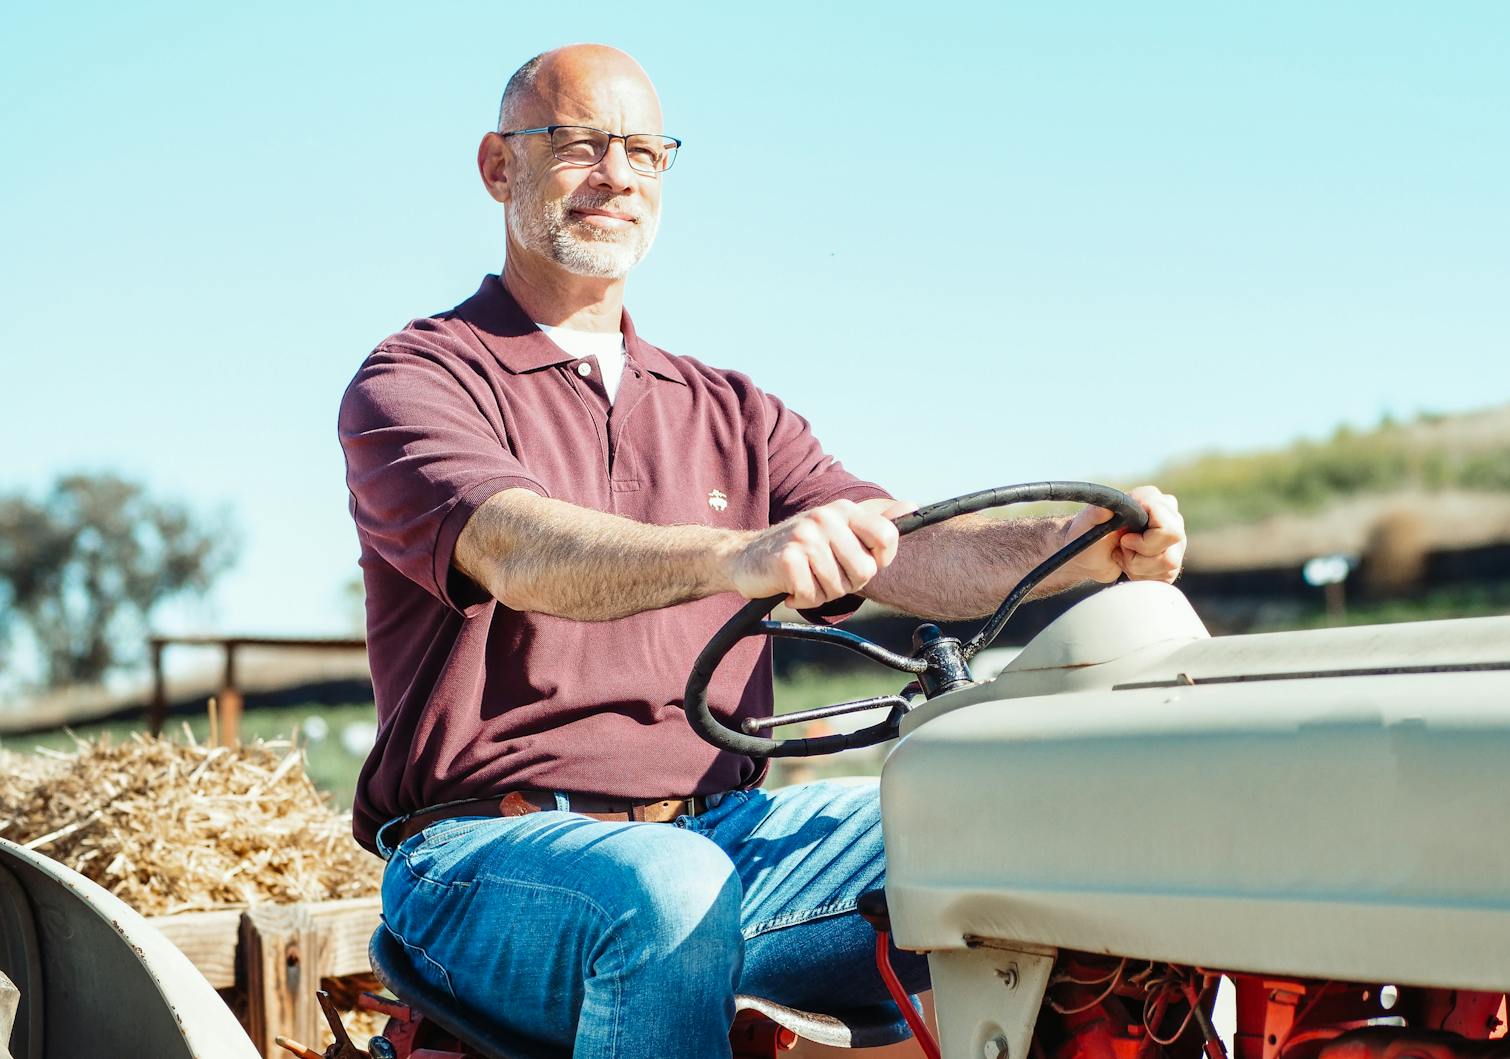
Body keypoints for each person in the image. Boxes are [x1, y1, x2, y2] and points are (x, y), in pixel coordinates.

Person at [337, 43, 1186, 1058]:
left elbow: (898, 552)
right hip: (482, 858)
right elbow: (515, 546)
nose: (617, 175)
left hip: (722, 834)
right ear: (497, 166)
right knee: (660, 891)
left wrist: (1080, 546)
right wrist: (733, 556)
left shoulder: (730, 409)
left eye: (645, 153)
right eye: (579, 144)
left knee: (1007, 829)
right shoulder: (419, 377)